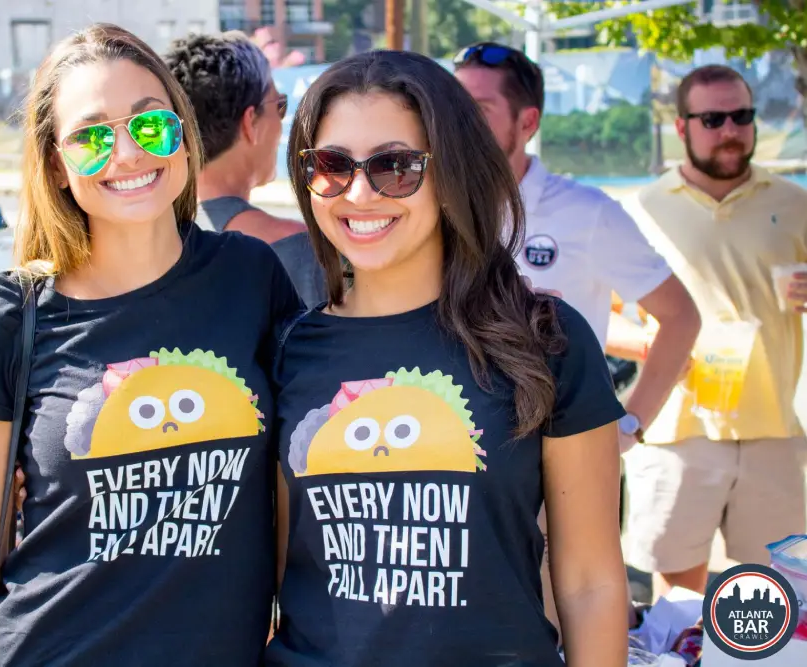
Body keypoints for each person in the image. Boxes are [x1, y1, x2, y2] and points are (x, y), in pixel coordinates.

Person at [0, 24, 301, 666]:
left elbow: (289, 493)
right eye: (92, 137)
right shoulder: (11, 312)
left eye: (150, 124)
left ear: (182, 132)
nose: (127, 154)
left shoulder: (251, 277)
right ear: (56, 163)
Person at [267, 50, 628, 667]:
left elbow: (591, 583)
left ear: (454, 171)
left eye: (396, 166)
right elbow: (274, 578)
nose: (360, 193)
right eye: (331, 166)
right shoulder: (285, 351)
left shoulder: (546, 340)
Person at [452, 41, 700, 454]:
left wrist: (630, 426)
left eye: (479, 109)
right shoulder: (432, 208)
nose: (460, 124)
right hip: (455, 453)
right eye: (455, 108)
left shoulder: (588, 213)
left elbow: (681, 316)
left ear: (528, 122)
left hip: (559, 458)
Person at [621, 64, 807, 601]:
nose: (730, 130)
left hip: (773, 429)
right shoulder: (641, 211)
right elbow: (596, 312)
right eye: (713, 119)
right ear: (681, 127)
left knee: (772, 601)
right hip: (677, 430)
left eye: (742, 116)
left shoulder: (795, 205)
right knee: (680, 604)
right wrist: (646, 344)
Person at [165, 32, 324, 306]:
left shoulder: (156, 240)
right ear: (250, 122)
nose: (281, 121)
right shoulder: (296, 249)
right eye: (280, 105)